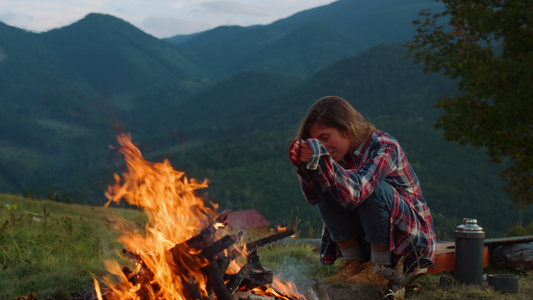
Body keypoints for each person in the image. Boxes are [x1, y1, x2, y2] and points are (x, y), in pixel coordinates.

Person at [288, 96, 437, 285]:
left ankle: (379, 270)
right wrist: (307, 168)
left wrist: (323, 160)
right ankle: (353, 263)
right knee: (326, 182)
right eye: (315, 142)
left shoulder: (384, 145)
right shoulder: (338, 155)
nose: (322, 147)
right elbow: (314, 197)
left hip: (410, 248)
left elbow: (357, 193)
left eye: (325, 138)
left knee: (372, 188)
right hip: (371, 243)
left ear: (345, 129)